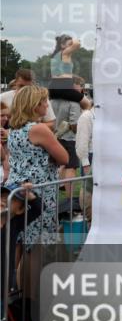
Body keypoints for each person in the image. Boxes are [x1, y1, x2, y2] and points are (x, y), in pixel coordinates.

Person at [5, 85, 69, 249]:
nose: (47, 105)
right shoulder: (38, 129)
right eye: (44, 101)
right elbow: (64, 158)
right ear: (35, 105)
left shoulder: (13, 129)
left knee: (17, 240)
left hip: (16, 189)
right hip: (38, 192)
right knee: (37, 245)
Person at [50, 76, 83, 181]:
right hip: (70, 139)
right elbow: (74, 125)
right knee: (71, 167)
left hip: (54, 137)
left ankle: (60, 186)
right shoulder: (73, 103)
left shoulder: (52, 101)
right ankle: (69, 192)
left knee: (60, 166)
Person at [48, 35, 83, 103]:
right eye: (70, 44)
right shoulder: (64, 53)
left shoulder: (56, 55)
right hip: (63, 86)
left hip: (53, 86)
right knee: (87, 103)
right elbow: (77, 43)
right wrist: (73, 41)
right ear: (62, 45)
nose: (71, 46)